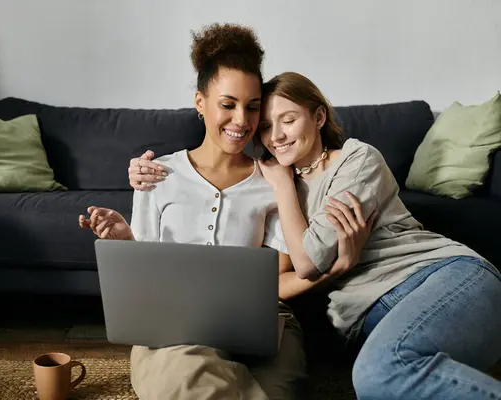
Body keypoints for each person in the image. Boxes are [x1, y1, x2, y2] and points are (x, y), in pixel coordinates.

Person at [133, 71, 501, 399]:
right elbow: (269, 280)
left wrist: (282, 186)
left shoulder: (356, 161)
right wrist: (334, 260)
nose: (275, 136)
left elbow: (307, 260)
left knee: (379, 374)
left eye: (288, 120)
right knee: (386, 378)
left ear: (319, 116)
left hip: (441, 278)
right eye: (266, 127)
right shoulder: (275, 185)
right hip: (375, 318)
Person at [80, 24, 374, 400]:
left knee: (279, 390)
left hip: (261, 319)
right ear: (200, 103)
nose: (241, 121)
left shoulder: (274, 181)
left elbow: (280, 280)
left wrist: (335, 267)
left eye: (253, 107)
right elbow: (147, 279)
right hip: (174, 325)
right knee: (185, 378)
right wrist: (126, 241)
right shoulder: (156, 176)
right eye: (227, 104)